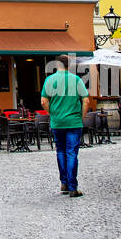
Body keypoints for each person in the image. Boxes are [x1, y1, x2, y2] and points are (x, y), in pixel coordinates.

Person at [41, 55, 89, 197]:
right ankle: (73, 187)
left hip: (57, 122)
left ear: (57, 65)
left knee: (60, 151)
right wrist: (81, 116)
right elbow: (86, 101)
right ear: (70, 65)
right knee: (72, 153)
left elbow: (44, 101)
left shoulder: (49, 80)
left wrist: (53, 113)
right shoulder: (76, 80)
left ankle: (64, 183)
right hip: (74, 121)